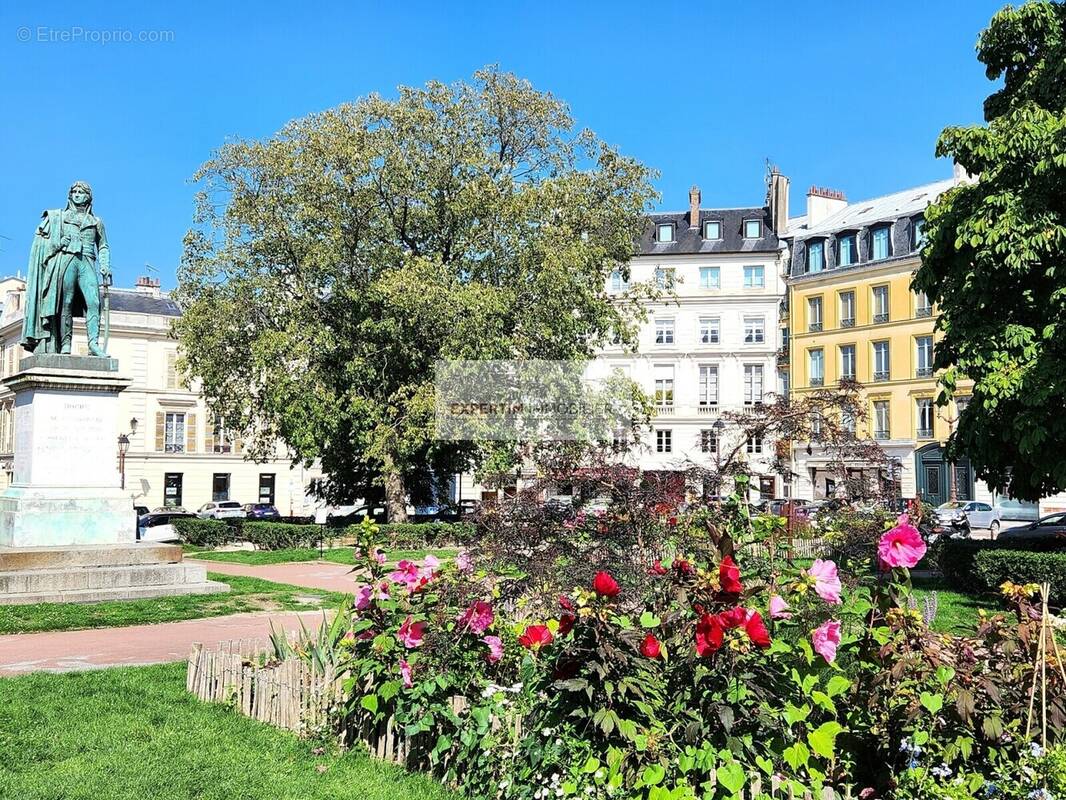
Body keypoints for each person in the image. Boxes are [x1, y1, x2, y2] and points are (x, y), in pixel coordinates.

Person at [22, 181, 110, 356]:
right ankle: (65, 343)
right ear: (70, 195)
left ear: (88, 197)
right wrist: (58, 244)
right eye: (74, 191)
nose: (77, 194)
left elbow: (103, 245)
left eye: (81, 192)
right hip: (67, 260)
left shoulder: (96, 221)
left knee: (94, 302)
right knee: (66, 302)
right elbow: (43, 243)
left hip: (87, 261)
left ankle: (93, 344)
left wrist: (105, 264)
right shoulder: (59, 217)